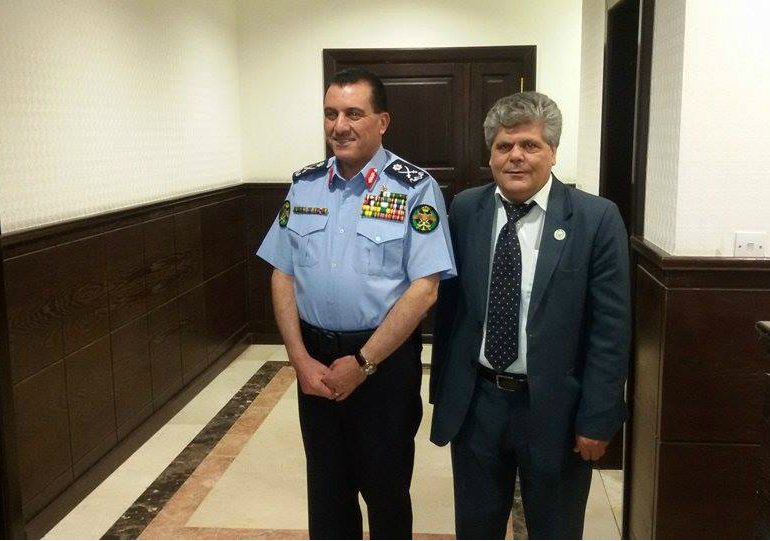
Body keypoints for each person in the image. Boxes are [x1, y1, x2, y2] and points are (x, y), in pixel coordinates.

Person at [256, 68, 455, 539]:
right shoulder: (305, 185)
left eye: (353, 114)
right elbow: (282, 272)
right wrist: (298, 358)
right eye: (330, 114)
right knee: (327, 491)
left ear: (382, 121)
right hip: (315, 361)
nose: (339, 126)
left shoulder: (414, 188)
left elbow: (425, 288)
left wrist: (364, 362)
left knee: (386, 492)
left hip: (383, 365)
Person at [429, 91, 630, 539]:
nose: (515, 156)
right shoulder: (465, 209)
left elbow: (610, 331)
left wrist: (598, 418)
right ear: (491, 155)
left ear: (553, 152)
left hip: (557, 411)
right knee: (475, 529)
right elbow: (451, 309)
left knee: (555, 530)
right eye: (504, 146)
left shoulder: (596, 218)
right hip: (478, 404)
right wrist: (443, 391)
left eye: (530, 145)